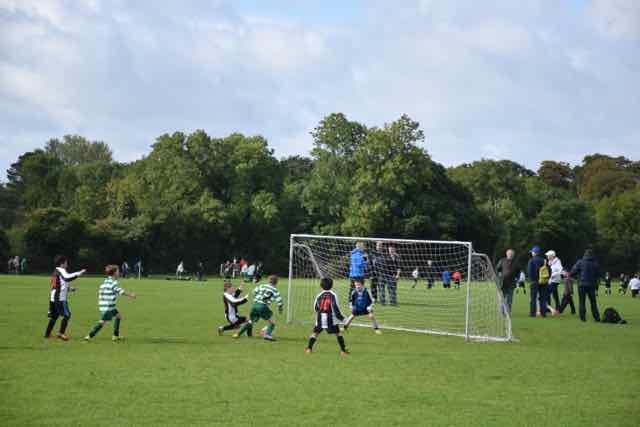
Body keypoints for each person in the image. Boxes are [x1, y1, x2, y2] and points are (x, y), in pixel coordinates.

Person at [84, 265, 136, 341]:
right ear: (114, 273)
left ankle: (115, 336)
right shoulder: (113, 283)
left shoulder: (105, 282)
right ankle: (89, 336)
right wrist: (130, 295)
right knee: (102, 322)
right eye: (118, 272)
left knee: (118, 316)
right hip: (108, 307)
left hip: (108, 306)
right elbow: (119, 291)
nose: (119, 273)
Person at [44, 255, 86, 340]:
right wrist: (79, 273)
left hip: (53, 297)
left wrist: (69, 289)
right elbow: (67, 278)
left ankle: (47, 334)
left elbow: (57, 285)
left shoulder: (55, 271)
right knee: (67, 315)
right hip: (60, 298)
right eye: (66, 262)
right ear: (62, 263)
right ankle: (61, 333)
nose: (67, 264)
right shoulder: (61, 270)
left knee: (54, 317)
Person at [304, 278, 348, 355]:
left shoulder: (319, 295)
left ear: (321, 286)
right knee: (338, 333)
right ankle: (343, 351)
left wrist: (320, 313)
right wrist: (342, 319)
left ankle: (309, 349)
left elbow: (315, 308)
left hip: (320, 318)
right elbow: (335, 308)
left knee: (315, 333)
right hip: (330, 319)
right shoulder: (333, 295)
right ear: (332, 285)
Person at [234, 275, 283, 341]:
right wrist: (280, 309)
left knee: (251, 321)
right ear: (276, 282)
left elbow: (253, 292)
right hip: (263, 306)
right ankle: (267, 335)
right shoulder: (275, 290)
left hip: (255, 305)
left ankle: (237, 334)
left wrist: (258, 297)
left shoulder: (262, 286)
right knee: (272, 322)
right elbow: (279, 301)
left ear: (268, 281)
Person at [570, 249, 601, 322]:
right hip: (591, 285)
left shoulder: (580, 262)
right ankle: (596, 317)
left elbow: (573, 272)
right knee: (593, 302)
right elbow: (598, 276)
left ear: (585, 254)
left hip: (581, 285)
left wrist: (574, 276)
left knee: (582, 302)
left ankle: (583, 318)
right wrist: (596, 286)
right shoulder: (595, 263)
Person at [527, 246, 549, 318]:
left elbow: (529, 271)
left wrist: (531, 279)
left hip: (534, 281)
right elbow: (549, 270)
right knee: (543, 298)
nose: (531, 253)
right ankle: (543, 313)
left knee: (533, 298)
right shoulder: (544, 260)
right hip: (543, 281)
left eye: (532, 252)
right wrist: (546, 278)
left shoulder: (531, 260)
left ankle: (532, 314)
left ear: (535, 253)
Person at [495, 249, 517, 314]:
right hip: (502, 283)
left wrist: (517, 278)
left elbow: (518, 272)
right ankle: (501, 311)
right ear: (506, 254)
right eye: (509, 254)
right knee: (501, 298)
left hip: (511, 284)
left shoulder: (516, 262)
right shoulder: (502, 260)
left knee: (509, 299)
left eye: (511, 254)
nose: (510, 255)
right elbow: (497, 269)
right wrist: (500, 274)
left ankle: (508, 312)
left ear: (513, 255)